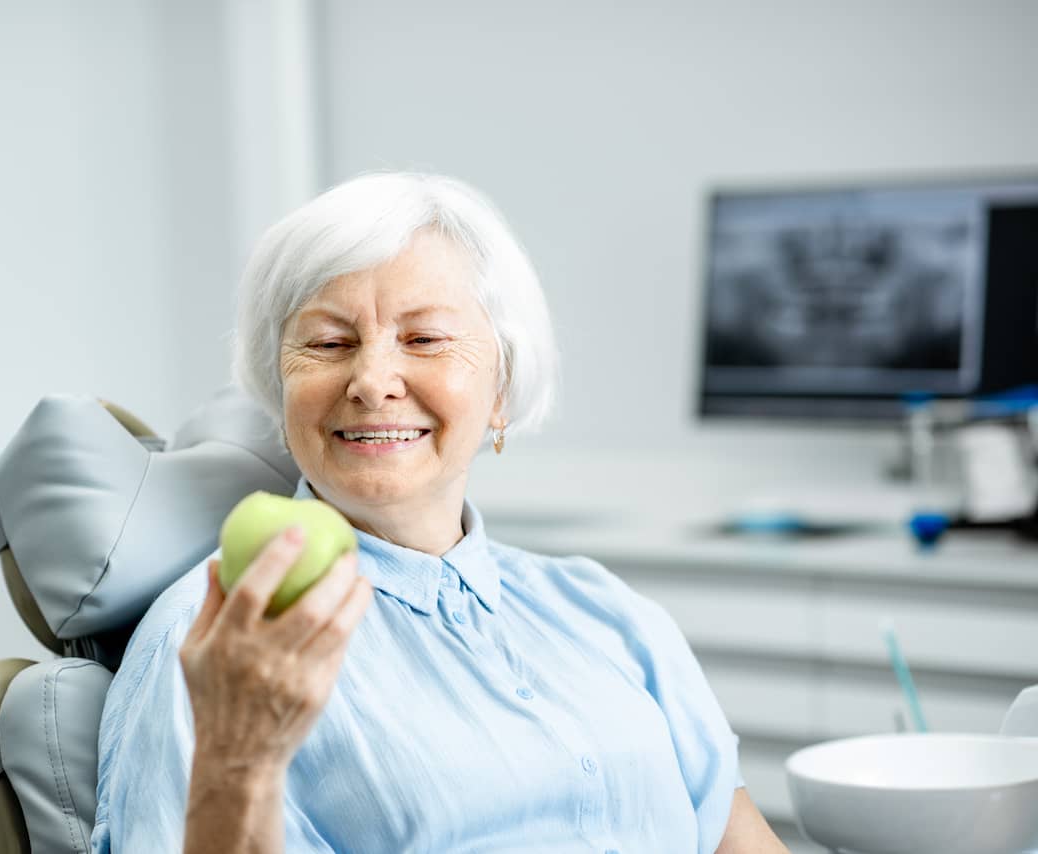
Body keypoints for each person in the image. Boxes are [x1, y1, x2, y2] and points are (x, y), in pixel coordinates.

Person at [91, 172, 788, 853]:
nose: (371, 382)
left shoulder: (608, 615)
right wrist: (237, 759)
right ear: (280, 388)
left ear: (502, 388)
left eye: (423, 339)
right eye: (330, 343)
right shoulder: (216, 641)